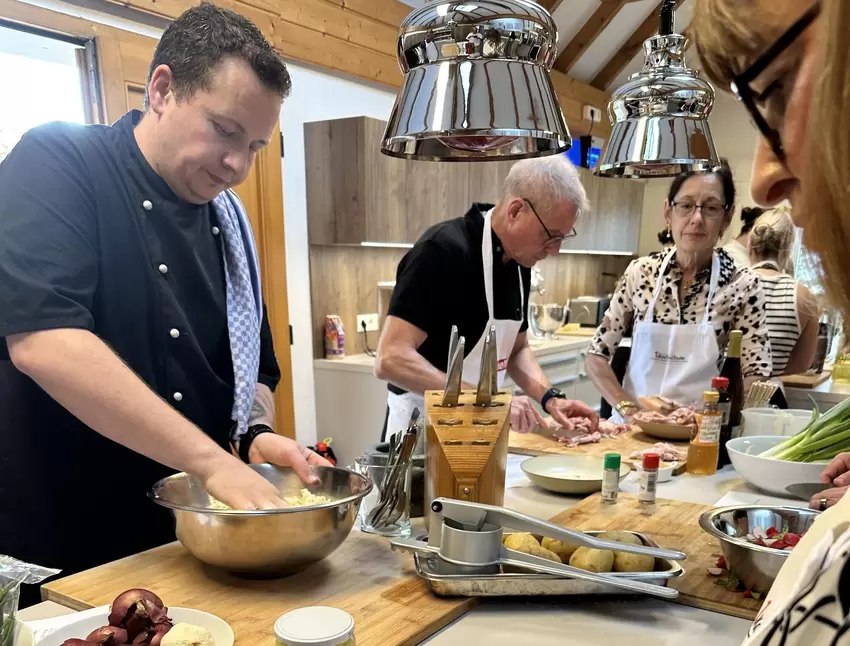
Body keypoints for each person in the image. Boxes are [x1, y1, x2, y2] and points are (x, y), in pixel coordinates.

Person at [0, 3, 329, 603]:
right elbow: (46, 342)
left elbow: (252, 369)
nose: (238, 166)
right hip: (65, 542)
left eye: (255, 145)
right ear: (162, 89)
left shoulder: (231, 227)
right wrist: (213, 462)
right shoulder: (59, 161)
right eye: (225, 131)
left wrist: (252, 437)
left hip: (183, 543)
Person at [691, 0, 850, 642]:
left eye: (776, 90)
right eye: (687, 207)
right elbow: (805, 364)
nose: (763, 179)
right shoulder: (803, 301)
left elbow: (711, 344)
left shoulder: (732, 287)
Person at [375, 155, 598, 439]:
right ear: (516, 210)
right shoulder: (443, 250)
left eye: (562, 239)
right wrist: (484, 401)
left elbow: (517, 350)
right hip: (420, 430)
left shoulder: (521, 262)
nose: (554, 250)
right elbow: (390, 358)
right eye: (550, 236)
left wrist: (551, 399)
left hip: (479, 429)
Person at [586, 162, 773, 421]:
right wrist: (628, 411)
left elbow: (756, 373)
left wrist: (712, 414)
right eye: (685, 205)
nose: (696, 219)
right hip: (632, 432)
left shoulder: (742, 284)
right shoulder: (641, 274)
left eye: (710, 208)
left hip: (701, 434)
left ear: (727, 218)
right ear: (668, 212)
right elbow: (596, 356)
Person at [748, 208, 818, 377]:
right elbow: (802, 364)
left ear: (749, 243)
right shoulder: (805, 297)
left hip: (723, 393)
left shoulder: (730, 284)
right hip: (772, 395)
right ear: (788, 248)